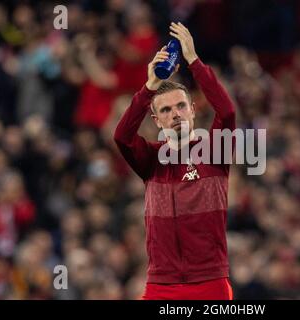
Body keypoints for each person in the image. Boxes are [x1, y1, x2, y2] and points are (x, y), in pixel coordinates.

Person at [113, 22, 236, 300]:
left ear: (192, 110)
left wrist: (193, 60)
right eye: (166, 110)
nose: (175, 114)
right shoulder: (150, 159)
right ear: (156, 120)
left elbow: (227, 113)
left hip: (210, 281)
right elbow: (122, 137)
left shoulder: (213, 151)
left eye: (181, 106)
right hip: (161, 284)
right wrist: (149, 87)